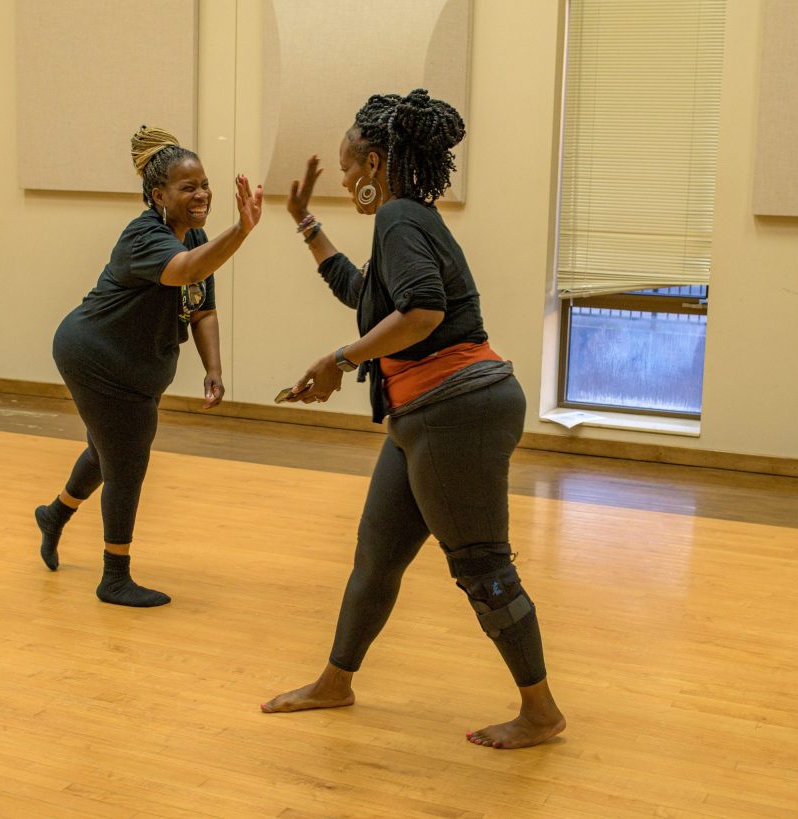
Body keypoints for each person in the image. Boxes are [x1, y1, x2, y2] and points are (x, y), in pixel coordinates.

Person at [261, 90, 565, 749]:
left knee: (482, 566)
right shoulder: (406, 221)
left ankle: (541, 713)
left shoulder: (400, 217)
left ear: (374, 162)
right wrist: (305, 223)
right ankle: (334, 682)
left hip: (456, 410)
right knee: (376, 558)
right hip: (422, 416)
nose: (345, 180)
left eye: (348, 167)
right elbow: (364, 294)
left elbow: (423, 312)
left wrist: (340, 359)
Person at [33, 126, 263, 607]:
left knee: (106, 450)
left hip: (132, 365)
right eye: (188, 187)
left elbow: (202, 308)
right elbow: (187, 270)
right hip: (96, 358)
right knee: (127, 461)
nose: (202, 195)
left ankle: (55, 515)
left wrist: (214, 368)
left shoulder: (194, 236)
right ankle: (114, 577)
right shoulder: (143, 237)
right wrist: (242, 230)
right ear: (159, 195)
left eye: (204, 185)